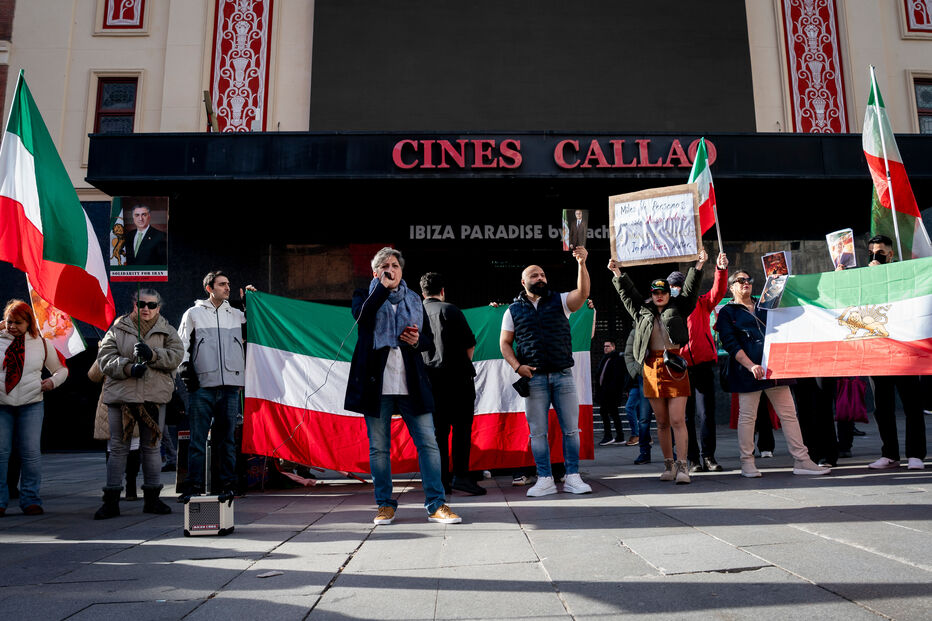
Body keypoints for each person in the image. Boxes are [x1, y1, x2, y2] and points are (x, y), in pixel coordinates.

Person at [344, 248, 461, 525]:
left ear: (401, 271)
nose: (390, 269)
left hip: (411, 382)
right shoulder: (364, 296)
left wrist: (415, 341)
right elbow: (363, 320)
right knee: (379, 448)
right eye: (384, 265)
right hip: (377, 384)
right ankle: (385, 504)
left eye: (394, 265)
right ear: (376, 272)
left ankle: (436, 503)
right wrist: (381, 290)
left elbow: (428, 341)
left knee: (429, 444)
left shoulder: (414, 300)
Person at [715, 270, 830, 477]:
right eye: (740, 281)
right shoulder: (727, 312)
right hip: (748, 372)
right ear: (731, 287)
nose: (746, 283)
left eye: (748, 279)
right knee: (748, 417)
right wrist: (750, 365)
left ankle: (802, 460)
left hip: (775, 367)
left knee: (789, 415)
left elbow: (790, 315)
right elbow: (731, 344)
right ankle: (747, 462)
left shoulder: (765, 304)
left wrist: (780, 279)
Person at [499, 247, 593, 497]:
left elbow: (583, 293)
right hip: (535, 379)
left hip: (563, 376)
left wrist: (581, 264)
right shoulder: (512, 310)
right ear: (523, 281)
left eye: (542, 275)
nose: (540, 278)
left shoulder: (561, 300)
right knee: (538, 432)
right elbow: (504, 344)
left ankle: (572, 476)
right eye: (534, 275)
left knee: (571, 429)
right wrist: (518, 367)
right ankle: (544, 478)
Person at [609, 249, 707, 485]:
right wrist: (617, 272)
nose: (660, 295)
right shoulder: (641, 311)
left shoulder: (679, 307)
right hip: (651, 368)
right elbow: (627, 294)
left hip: (674, 364)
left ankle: (683, 466)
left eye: (663, 291)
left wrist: (699, 264)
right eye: (656, 292)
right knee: (661, 421)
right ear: (651, 294)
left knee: (677, 419)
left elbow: (691, 291)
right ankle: (669, 465)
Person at [837, 234, 925, 470]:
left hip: (904, 350)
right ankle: (890, 454)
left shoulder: (903, 275)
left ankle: (916, 454)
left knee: (911, 404)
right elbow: (849, 301)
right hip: (877, 351)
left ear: (891, 254)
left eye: (881, 253)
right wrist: (841, 278)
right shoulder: (864, 278)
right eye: (872, 253)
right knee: (882, 406)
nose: (875, 256)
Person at [94, 289, 183, 519]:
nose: (146, 308)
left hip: (152, 398)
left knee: (152, 448)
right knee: (118, 448)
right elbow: (104, 359)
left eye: (151, 305)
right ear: (134, 305)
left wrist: (152, 354)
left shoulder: (167, 330)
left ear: (158, 307)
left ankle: (152, 499)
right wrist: (128, 367)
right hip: (122, 398)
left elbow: (177, 355)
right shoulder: (118, 328)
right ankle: (111, 501)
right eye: (142, 304)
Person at [177, 271, 251, 501]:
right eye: (222, 284)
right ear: (209, 288)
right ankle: (193, 486)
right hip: (202, 385)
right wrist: (184, 370)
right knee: (198, 439)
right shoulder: (193, 314)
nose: (227, 288)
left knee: (227, 439)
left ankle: (227, 484)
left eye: (228, 284)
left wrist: (254, 303)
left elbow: (259, 328)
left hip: (230, 386)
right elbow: (182, 343)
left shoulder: (237, 315)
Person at [419, 271, 485, 496]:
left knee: (437, 433)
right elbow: (469, 344)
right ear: (443, 291)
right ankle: (462, 477)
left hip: (430, 383)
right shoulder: (450, 310)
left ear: (423, 292)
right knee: (461, 431)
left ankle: (442, 481)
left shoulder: (415, 314)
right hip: (458, 381)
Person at [0, 300, 68, 516]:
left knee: (30, 453)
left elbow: (61, 370)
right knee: (1, 453)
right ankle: (0, 502)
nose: (12, 326)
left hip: (31, 403)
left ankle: (30, 499)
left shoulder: (41, 342)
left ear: (28, 322)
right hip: (2, 404)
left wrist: (52, 382)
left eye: (18, 322)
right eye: (9, 322)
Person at [671, 251, 729, 473]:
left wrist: (721, 270)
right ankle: (692, 459)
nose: (677, 289)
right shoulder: (668, 309)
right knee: (685, 416)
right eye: (673, 286)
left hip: (703, 363)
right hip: (680, 368)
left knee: (706, 414)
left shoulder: (702, 302)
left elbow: (719, 290)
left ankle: (708, 457)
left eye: (679, 285)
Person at [623, 331, 654, 463]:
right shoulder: (636, 328)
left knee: (667, 418)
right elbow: (629, 353)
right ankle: (644, 451)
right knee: (644, 418)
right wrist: (635, 371)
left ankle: (672, 454)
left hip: (662, 373)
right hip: (643, 376)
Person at [596, 339, 629, 445]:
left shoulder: (617, 359)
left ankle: (609, 436)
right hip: (604, 393)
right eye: (604, 346)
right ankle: (619, 436)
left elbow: (617, 377)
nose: (605, 348)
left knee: (608, 413)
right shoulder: (605, 359)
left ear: (613, 347)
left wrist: (611, 390)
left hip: (611, 394)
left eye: (608, 346)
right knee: (612, 414)